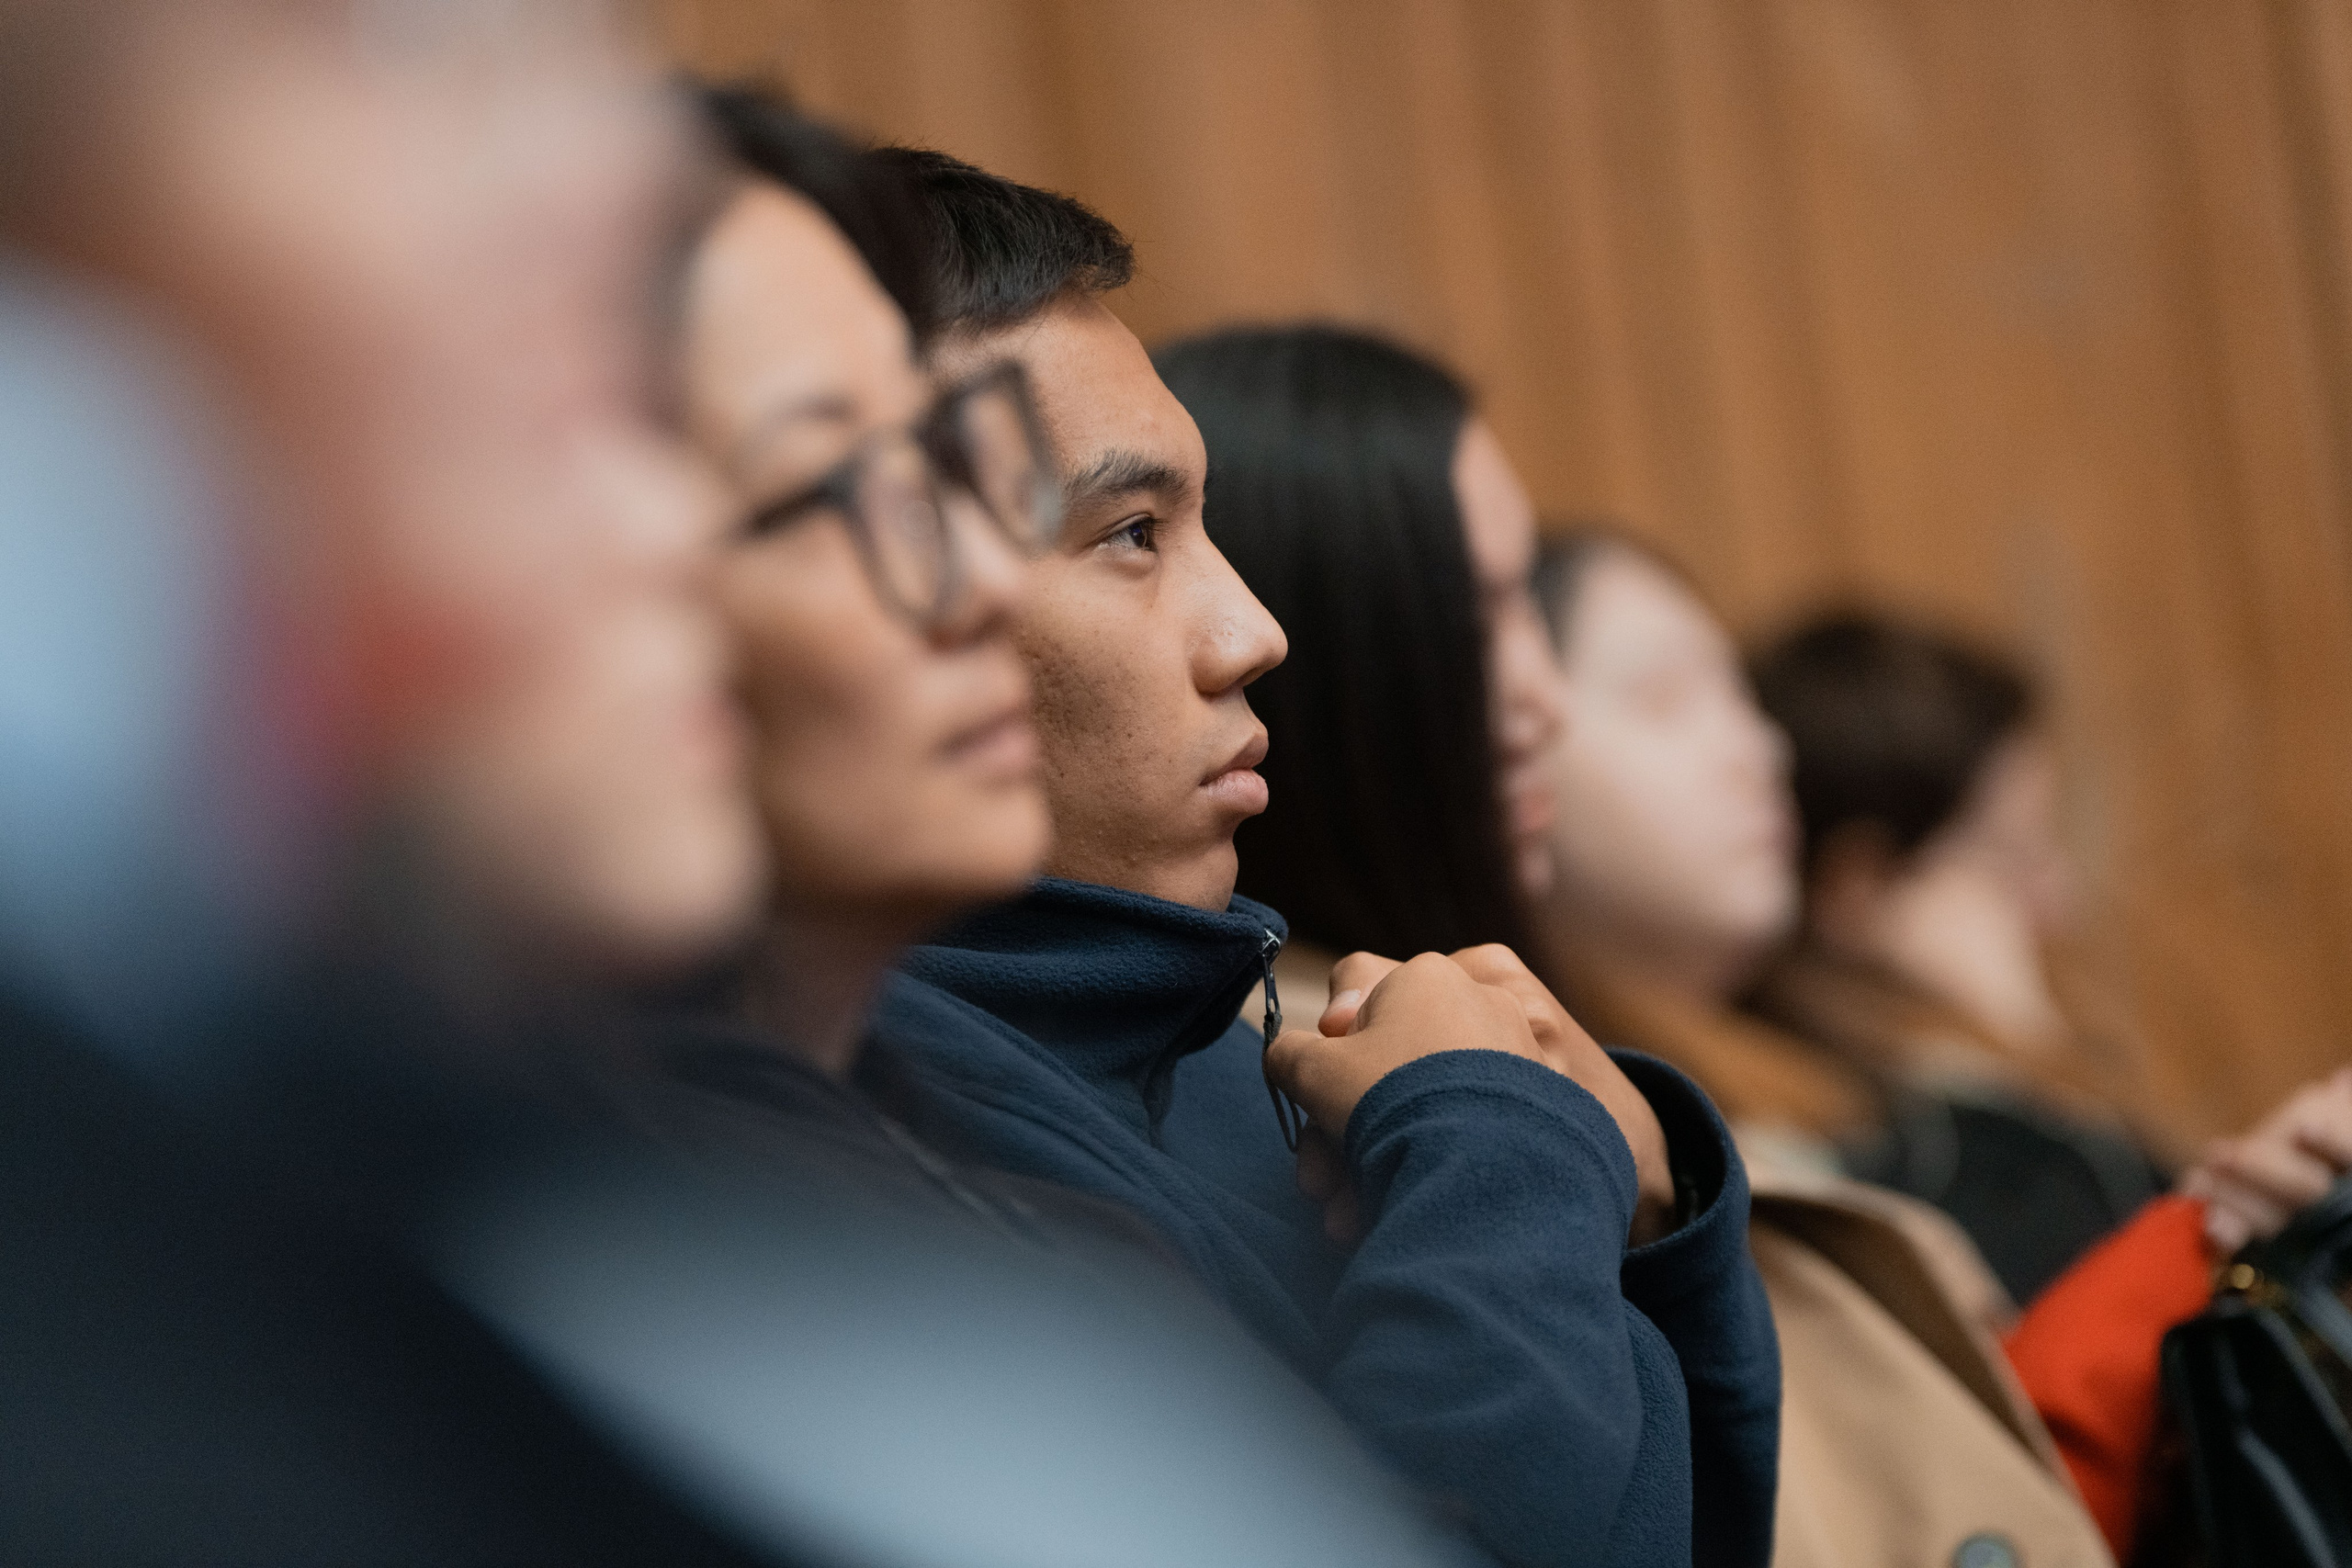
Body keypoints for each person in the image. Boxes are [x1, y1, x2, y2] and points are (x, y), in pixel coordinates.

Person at [852, 160, 1777, 1566]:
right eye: (1134, 534)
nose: (1252, 629)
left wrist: (1650, 1217)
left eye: (1203, 525)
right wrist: (1505, 1150)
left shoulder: (1230, 1054)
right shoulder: (821, 1143)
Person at [1531, 529, 2352, 1562]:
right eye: (1665, 697)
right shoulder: (1679, 1150)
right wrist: (2207, 1234)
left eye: (1739, 697)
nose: (1761, 751)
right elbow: (1967, 1491)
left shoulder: (1828, 1100)